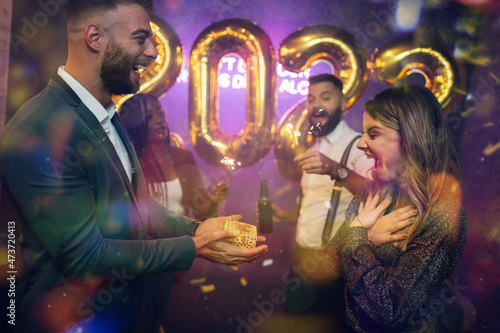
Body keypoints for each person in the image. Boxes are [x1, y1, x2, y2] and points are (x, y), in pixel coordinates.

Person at [0, 1, 267, 332]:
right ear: (95, 37)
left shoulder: (105, 115)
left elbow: (138, 208)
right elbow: (85, 258)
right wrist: (194, 247)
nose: (153, 52)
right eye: (141, 38)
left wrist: (197, 229)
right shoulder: (41, 127)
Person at [327, 85, 468, 332]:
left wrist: (358, 238)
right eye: (363, 133)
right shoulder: (372, 193)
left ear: (412, 138)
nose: (361, 143)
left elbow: (390, 310)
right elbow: (325, 267)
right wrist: (365, 236)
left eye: (373, 133)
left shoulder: (441, 213)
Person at [275, 74, 373, 331]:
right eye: (311, 99)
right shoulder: (310, 146)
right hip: (301, 258)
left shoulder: (358, 146)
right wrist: (283, 215)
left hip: (335, 263)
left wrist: (335, 169)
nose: (316, 105)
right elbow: (316, 207)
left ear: (342, 102)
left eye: (326, 98)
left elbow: (377, 194)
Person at [120, 93, 227, 220]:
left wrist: (213, 199)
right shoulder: (129, 161)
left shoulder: (183, 157)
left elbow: (202, 214)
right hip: (146, 239)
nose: (159, 120)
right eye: (149, 117)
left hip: (184, 237)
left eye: (160, 113)